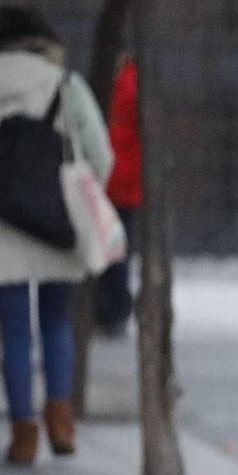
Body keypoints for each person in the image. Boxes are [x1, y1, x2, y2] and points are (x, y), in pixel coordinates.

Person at [0, 6, 114, 465]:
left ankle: (22, 433)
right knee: (57, 321)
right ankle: (60, 418)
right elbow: (100, 154)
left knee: (15, 335)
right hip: (56, 219)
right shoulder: (64, 84)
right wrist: (82, 191)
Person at [96, 52, 141, 338]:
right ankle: (116, 309)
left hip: (109, 182)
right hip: (125, 185)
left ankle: (110, 308)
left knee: (108, 251)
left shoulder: (114, 87)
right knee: (118, 250)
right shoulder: (132, 85)